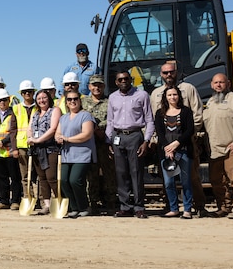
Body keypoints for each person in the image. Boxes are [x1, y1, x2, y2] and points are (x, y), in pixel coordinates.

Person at [149, 60, 208, 214]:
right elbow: (155, 121)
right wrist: (161, 143)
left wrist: (187, 136)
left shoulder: (188, 89)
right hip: (165, 146)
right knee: (168, 179)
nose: (169, 75)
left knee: (191, 178)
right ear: (161, 74)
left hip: (186, 144)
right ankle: (172, 207)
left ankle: (198, 206)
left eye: (171, 72)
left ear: (176, 72)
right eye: (165, 73)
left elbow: (197, 114)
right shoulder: (155, 93)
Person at [202, 73, 233, 219]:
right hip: (214, 149)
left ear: (228, 84)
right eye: (216, 82)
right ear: (212, 85)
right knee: (217, 181)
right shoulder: (210, 102)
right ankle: (223, 207)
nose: (218, 85)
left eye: (221, 82)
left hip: (232, 148)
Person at [106, 71, 154, 218]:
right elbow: (110, 121)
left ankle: (139, 207)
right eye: (120, 79)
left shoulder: (142, 95)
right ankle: (125, 207)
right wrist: (108, 141)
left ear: (131, 80)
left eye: (126, 79)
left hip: (135, 136)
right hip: (118, 136)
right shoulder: (112, 98)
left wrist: (146, 140)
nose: (123, 81)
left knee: (136, 172)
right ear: (116, 82)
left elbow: (149, 120)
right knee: (121, 173)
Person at [154, 87, 196, 219]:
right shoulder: (160, 113)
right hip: (167, 153)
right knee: (169, 182)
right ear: (165, 97)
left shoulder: (186, 111)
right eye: (169, 95)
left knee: (185, 181)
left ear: (179, 96)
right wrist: (167, 148)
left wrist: (176, 144)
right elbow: (160, 132)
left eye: (175, 95)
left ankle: (187, 209)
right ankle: (174, 208)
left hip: (183, 151)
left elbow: (189, 130)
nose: (172, 97)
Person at [55, 89, 96, 218]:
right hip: (67, 154)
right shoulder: (63, 118)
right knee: (63, 180)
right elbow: (58, 132)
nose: (72, 101)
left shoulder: (85, 116)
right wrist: (58, 138)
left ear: (80, 101)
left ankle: (84, 206)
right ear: (66, 103)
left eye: (75, 99)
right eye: (69, 99)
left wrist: (67, 139)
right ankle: (74, 207)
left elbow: (87, 134)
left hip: (82, 154)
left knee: (75, 180)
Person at [81, 75, 115, 214]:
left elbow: (113, 120)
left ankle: (111, 202)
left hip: (105, 142)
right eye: (94, 85)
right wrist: (93, 129)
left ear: (104, 86)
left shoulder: (110, 102)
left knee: (109, 174)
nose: (97, 88)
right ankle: (92, 203)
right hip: (89, 144)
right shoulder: (83, 102)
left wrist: (100, 128)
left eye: (99, 85)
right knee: (91, 174)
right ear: (89, 86)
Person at [27, 88, 61, 213]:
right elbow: (29, 127)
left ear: (49, 98)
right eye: (39, 98)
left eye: (44, 98)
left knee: (51, 176)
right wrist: (30, 138)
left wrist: (38, 140)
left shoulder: (55, 110)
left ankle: (60, 199)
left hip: (50, 147)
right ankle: (47, 204)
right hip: (37, 149)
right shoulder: (35, 113)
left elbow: (53, 129)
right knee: (42, 178)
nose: (42, 100)